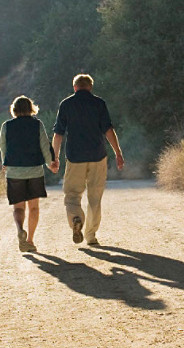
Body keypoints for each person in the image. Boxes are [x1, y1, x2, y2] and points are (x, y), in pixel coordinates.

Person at [52, 74, 124, 245]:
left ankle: (76, 218)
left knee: (72, 196)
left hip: (75, 157)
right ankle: (91, 236)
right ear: (90, 87)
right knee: (95, 196)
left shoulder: (66, 104)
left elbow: (58, 133)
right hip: (97, 156)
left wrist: (54, 157)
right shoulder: (99, 103)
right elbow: (108, 130)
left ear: (75, 87)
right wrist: (118, 153)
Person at [0, 95, 57, 252]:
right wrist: (50, 163)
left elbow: (3, 148)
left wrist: (5, 163)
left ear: (15, 110)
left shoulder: (6, 126)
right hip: (34, 172)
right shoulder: (37, 124)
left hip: (14, 173)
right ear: (31, 109)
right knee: (34, 208)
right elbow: (45, 145)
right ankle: (30, 241)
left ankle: (20, 230)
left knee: (18, 209)